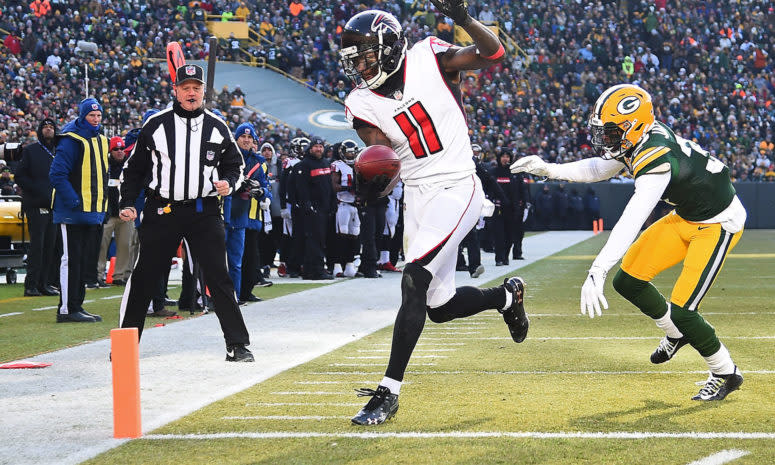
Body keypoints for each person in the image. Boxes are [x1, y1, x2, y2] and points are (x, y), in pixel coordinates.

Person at [340, 6, 529, 426]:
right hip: (418, 196)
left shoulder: (429, 55)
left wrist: (463, 17)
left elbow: (492, 53)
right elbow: (384, 160)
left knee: (413, 279)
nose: (360, 66)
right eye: (355, 59)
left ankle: (388, 392)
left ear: (388, 49)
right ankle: (505, 297)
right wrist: (373, 186)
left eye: (366, 56)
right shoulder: (360, 101)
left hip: (458, 183)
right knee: (438, 307)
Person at [511, 83, 747, 401]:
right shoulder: (640, 138)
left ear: (633, 126)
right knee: (629, 280)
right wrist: (550, 170)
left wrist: (598, 268)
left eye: (610, 131)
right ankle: (675, 335)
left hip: (718, 223)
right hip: (687, 216)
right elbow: (599, 168)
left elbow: (632, 218)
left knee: (684, 310)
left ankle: (725, 372)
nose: (605, 138)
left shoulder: (655, 157)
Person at [118, 64, 253, 362]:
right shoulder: (155, 124)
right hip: (162, 209)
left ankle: (238, 344)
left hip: (204, 210)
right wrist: (127, 202)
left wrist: (229, 183)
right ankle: (125, 346)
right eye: (185, 87)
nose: (191, 92)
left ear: (204, 91)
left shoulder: (218, 126)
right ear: (175, 91)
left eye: (196, 87)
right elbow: (133, 170)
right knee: (144, 277)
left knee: (219, 277)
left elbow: (235, 165)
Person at [49, 98, 109, 323]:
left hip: (91, 211)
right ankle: (66, 309)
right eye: (91, 116)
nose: (95, 120)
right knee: (70, 260)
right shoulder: (70, 140)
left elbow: (102, 174)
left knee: (83, 261)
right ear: (83, 116)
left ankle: (77, 305)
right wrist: (74, 202)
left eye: (99, 116)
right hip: (72, 212)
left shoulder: (101, 140)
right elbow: (57, 175)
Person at [15, 118, 60, 297]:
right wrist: (38, 190)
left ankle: (44, 283)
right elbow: (19, 175)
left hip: (54, 205)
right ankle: (31, 285)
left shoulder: (58, 151)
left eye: (51, 127)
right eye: (45, 127)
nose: (48, 130)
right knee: (38, 246)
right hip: (36, 204)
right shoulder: (31, 151)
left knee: (51, 245)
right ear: (40, 131)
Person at [293, 137, 335, 280]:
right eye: (316, 146)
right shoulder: (304, 165)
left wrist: (333, 204)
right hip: (313, 209)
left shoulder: (325, 163)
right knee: (314, 240)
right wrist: (308, 205)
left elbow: (330, 186)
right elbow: (302, 188)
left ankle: (310, 270)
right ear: (310, 149)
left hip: (325, 208)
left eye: (321, 146)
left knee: (321, 239)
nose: (319, 149)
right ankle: (316, 270)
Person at [96, 136, 133, 286]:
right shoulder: (104, 166)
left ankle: (119, 275)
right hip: (108, 213)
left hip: (125, 211)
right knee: (101, 244)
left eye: (122, 149)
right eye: (116, 149)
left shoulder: (130, 166)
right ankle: (97, 274)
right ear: (110, 151)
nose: (119, 152)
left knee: (125, 244)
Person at [329, 139, 360, 278]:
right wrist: (350, 187)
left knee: (354, 236)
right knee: (341, 236)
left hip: (355, 205)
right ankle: (336, 266)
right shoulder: (337, 165)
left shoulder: (359, 165)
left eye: (353, 153)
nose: (351, 155)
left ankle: (349, 265)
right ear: (342, 153)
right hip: (342, 203)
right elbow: (334, 186)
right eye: (348, 153)